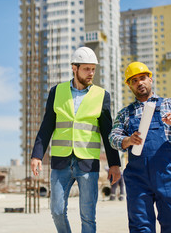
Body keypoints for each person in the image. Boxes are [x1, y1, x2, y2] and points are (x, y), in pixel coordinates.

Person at [31, 46, 121, 233]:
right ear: (74, 68)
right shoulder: (57, 92)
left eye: (93, 69)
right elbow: (47, 125)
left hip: (87, 162)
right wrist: (37, 155)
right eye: (86, 69)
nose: (91, 73)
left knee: (88, 216)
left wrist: (114, 164)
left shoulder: (102, 95)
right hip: (60, 161)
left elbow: (107, 132)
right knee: (56, 211)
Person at [109, 62, 171, 233]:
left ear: (150, 79)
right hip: (137, 178)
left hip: (166, 174)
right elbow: (113, 137)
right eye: (134, 80)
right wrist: (128, 140)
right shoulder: (125, 113)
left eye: (142, 78)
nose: (139, 83)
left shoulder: (169, 105)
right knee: (141, 227)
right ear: (129, 85)